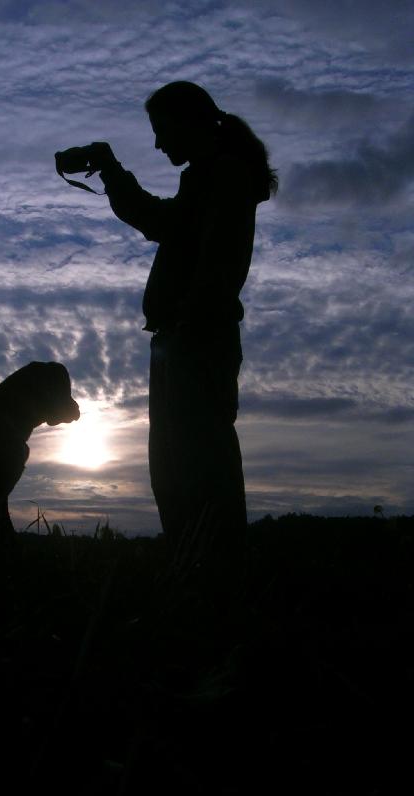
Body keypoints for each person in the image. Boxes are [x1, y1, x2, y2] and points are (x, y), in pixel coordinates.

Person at [57, 81, 277, 576]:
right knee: (178, 469)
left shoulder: (223, 177)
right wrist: (110, 170)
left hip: (195, 342)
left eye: (162, 131)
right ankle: (196, 573)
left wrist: (188, 324)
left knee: (197, 470)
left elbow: (217, 265)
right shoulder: (207, 178)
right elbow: (158, 220)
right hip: (184, 341)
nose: (158, 144)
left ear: (190, 121)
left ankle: (213, 580)